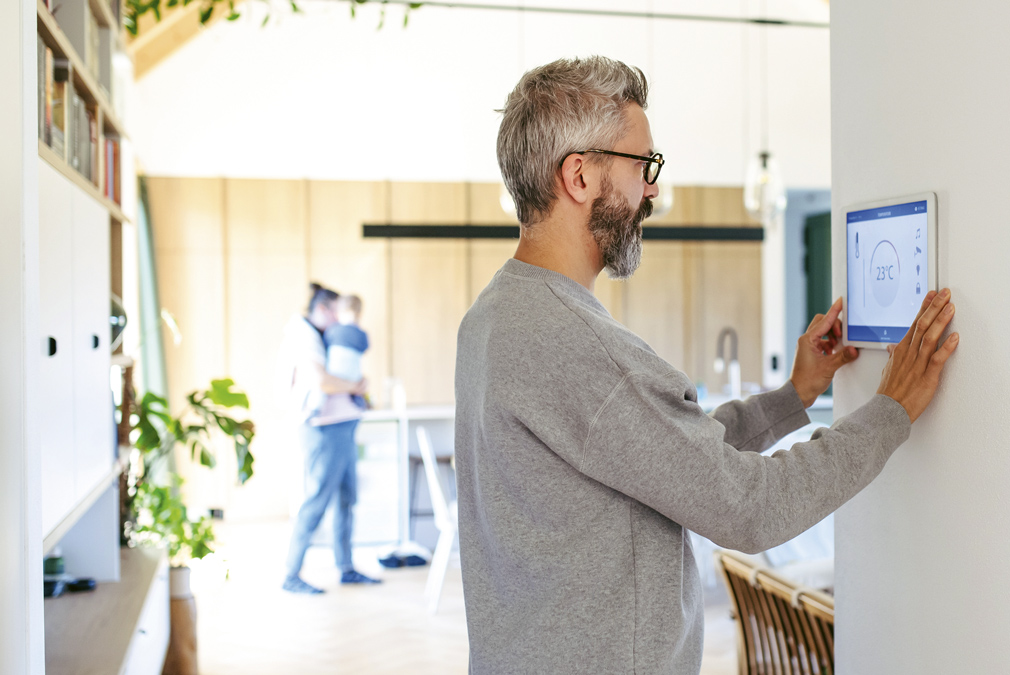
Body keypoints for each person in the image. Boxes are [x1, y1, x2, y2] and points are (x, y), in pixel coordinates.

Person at [454, 57, 960, 673]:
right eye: (644, 165)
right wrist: (891, 410)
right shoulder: (577, 344)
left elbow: (665, 458)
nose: (652, 190)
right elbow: (751, 507)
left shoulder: (495, 316)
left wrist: (793, 395)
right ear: (579, 176)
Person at [278, 283, 381, 594]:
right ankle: (291, 574)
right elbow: (323, 382)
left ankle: (346, 567)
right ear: (323, 310)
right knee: (317, 501)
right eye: (338, 312)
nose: (342, 320)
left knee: (346, 499)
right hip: (324, 429)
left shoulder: (324, 335)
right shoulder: (303, 336)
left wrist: (354, 386)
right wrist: (354, 385)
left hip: (343, 424)